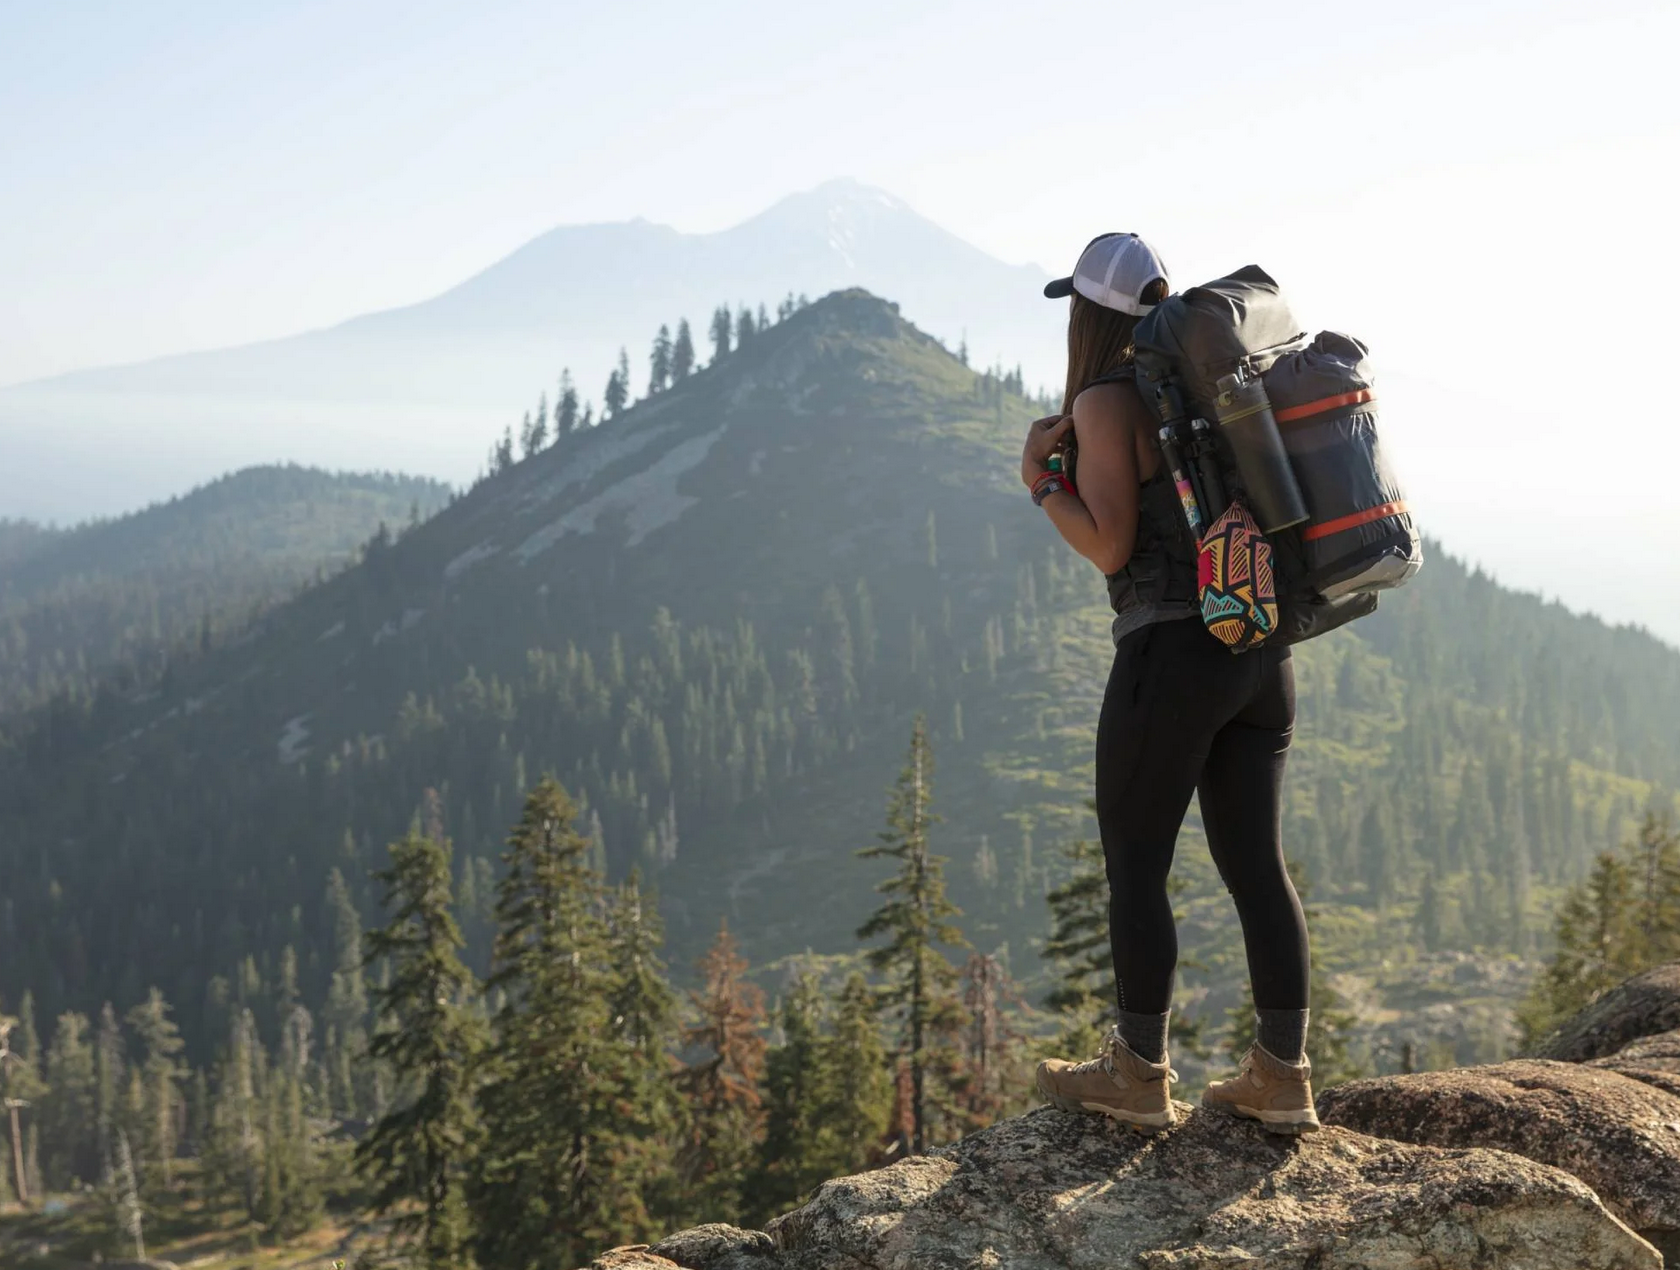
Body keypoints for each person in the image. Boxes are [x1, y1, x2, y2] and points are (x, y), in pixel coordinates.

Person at [1025, 233, 1320, 1135]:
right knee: (1255, 868)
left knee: (1136, 862)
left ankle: (1139, 1072)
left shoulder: (1108, 402)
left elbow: (1112, 545)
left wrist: (1041, 483)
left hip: (1173, 653)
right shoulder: (1214, 386)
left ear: (1088, 312)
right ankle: (1282, 1075)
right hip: (1260, 649)